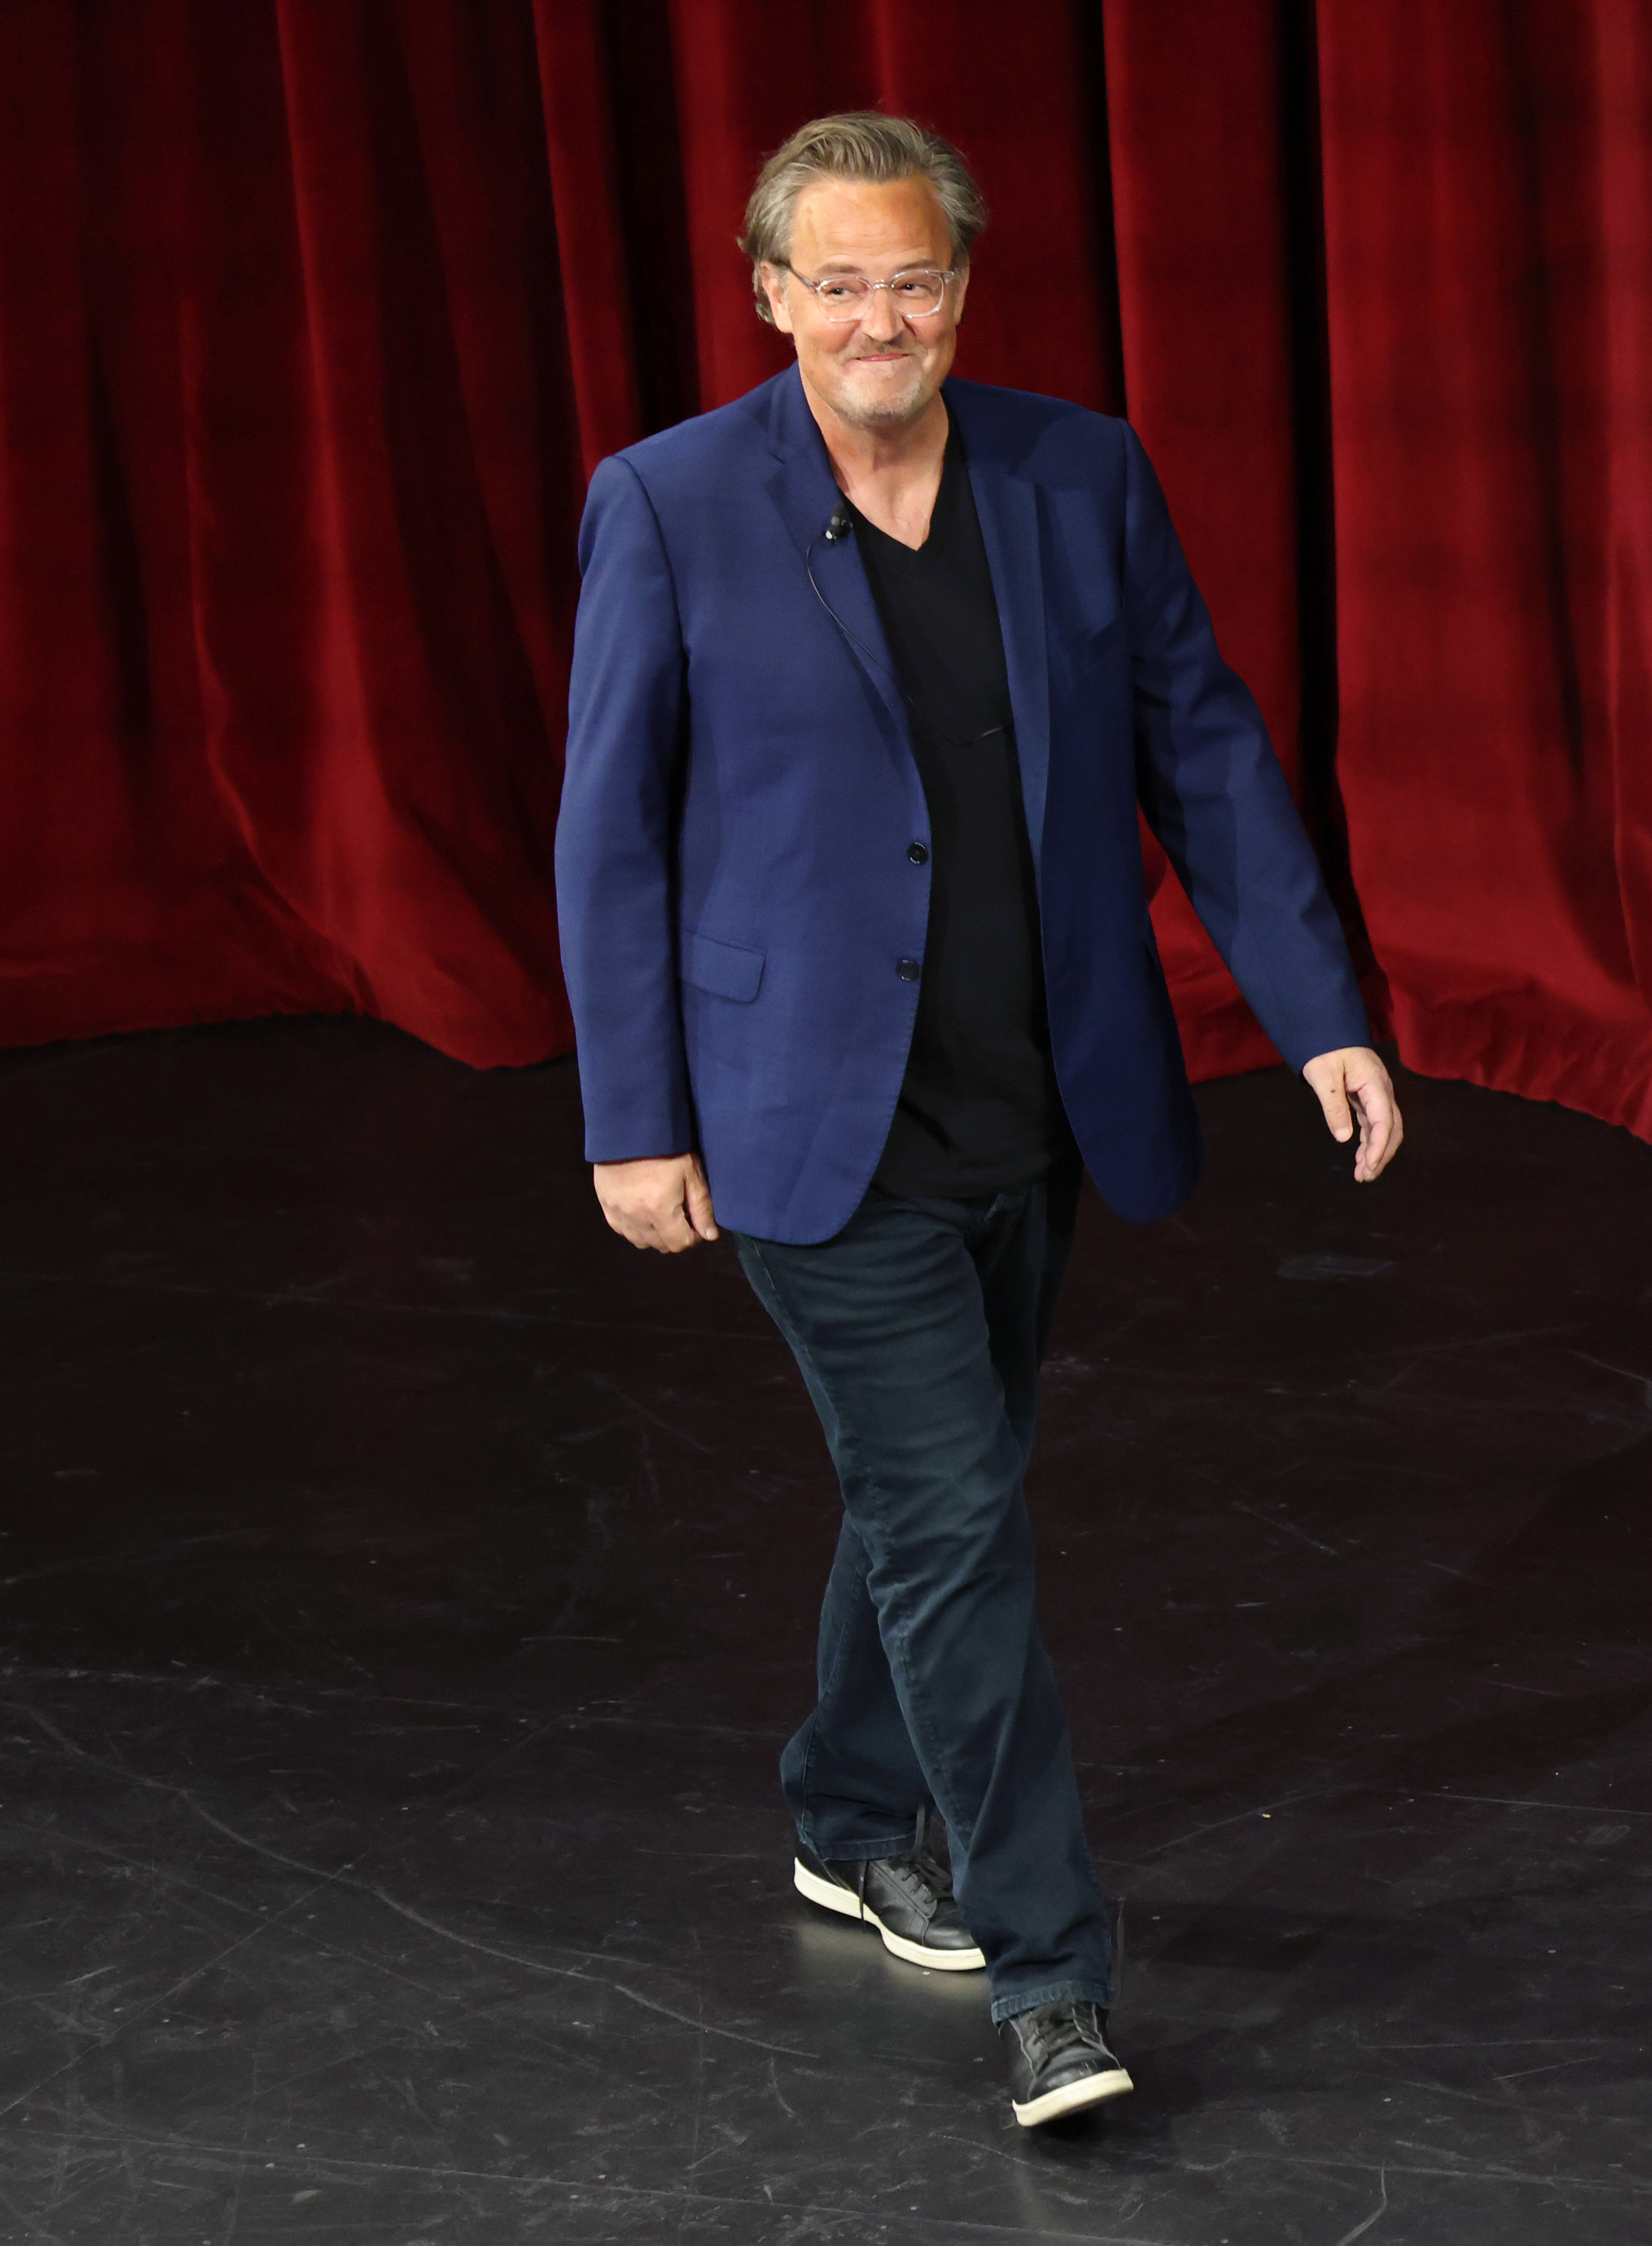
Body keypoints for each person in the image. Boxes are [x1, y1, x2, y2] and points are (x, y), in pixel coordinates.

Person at [554, 111, 1402, 2128]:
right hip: (797, 1127)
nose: (878, 316)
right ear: (770, 295)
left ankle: (847, 1809)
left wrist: (1314, 1013)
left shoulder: (1072, 470)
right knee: (956, 1522)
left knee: (940, 1497)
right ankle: (1053, 1978)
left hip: (1032, 1106)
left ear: (961, 288)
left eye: (912, 277)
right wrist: (629, 1118)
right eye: (834, 281)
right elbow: (613, 834)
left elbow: (1198, 743)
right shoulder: (666, 503)